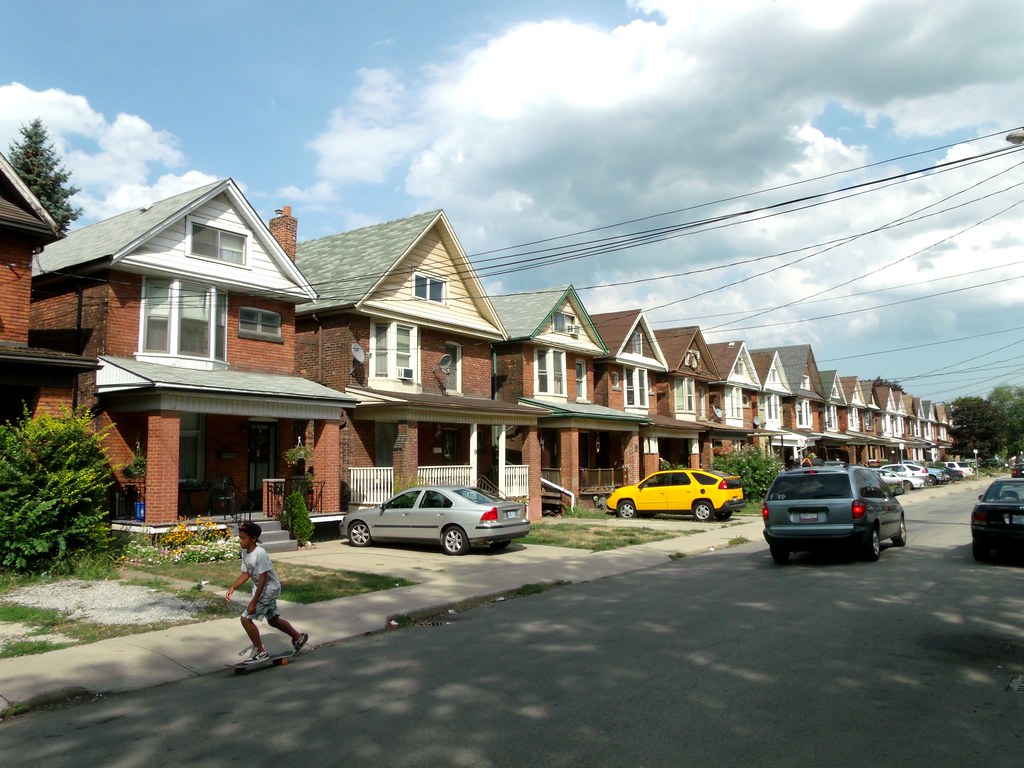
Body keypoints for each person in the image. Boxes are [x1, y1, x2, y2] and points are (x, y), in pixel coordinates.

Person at [225, 521, 307, 661]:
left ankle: (260, 652)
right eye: (240, 538)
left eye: (243, 538)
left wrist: (253, 602)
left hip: (268, 589)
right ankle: (298, 638)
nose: (240, 541)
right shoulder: (245, 553)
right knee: (273, 620)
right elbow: (246, 573)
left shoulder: (260, 553)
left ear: (254, 539)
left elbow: (263, 579)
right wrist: (233, 587)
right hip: (262, 589)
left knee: (245, 619)